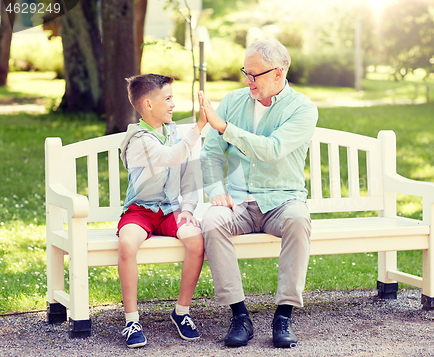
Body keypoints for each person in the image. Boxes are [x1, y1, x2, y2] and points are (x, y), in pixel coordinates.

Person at [199, 39, 318, 348]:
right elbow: (210, 153)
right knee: (211, 222)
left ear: (278, 73)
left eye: (254, 74)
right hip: (238, 201)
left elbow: (272, 150)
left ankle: (283, 317)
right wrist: (215, 190)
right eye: (245, 73)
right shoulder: (232, 101)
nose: (247, 81)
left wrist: (226, 128)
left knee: (298, 220)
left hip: (282, 200)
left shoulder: (302, 109)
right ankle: (240, 316)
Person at [117, 74, 207, 348]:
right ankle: (132, 320)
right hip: (140, 211)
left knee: (196, 241)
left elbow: (190, 177)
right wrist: (199, 126)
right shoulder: (139, 139)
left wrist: (189, 209)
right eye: (167, 99)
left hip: (170, 210)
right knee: (126, 245)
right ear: (147, 104)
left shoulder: (176, 134)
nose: (173, 104)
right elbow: (171, 157)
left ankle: (181, 312)